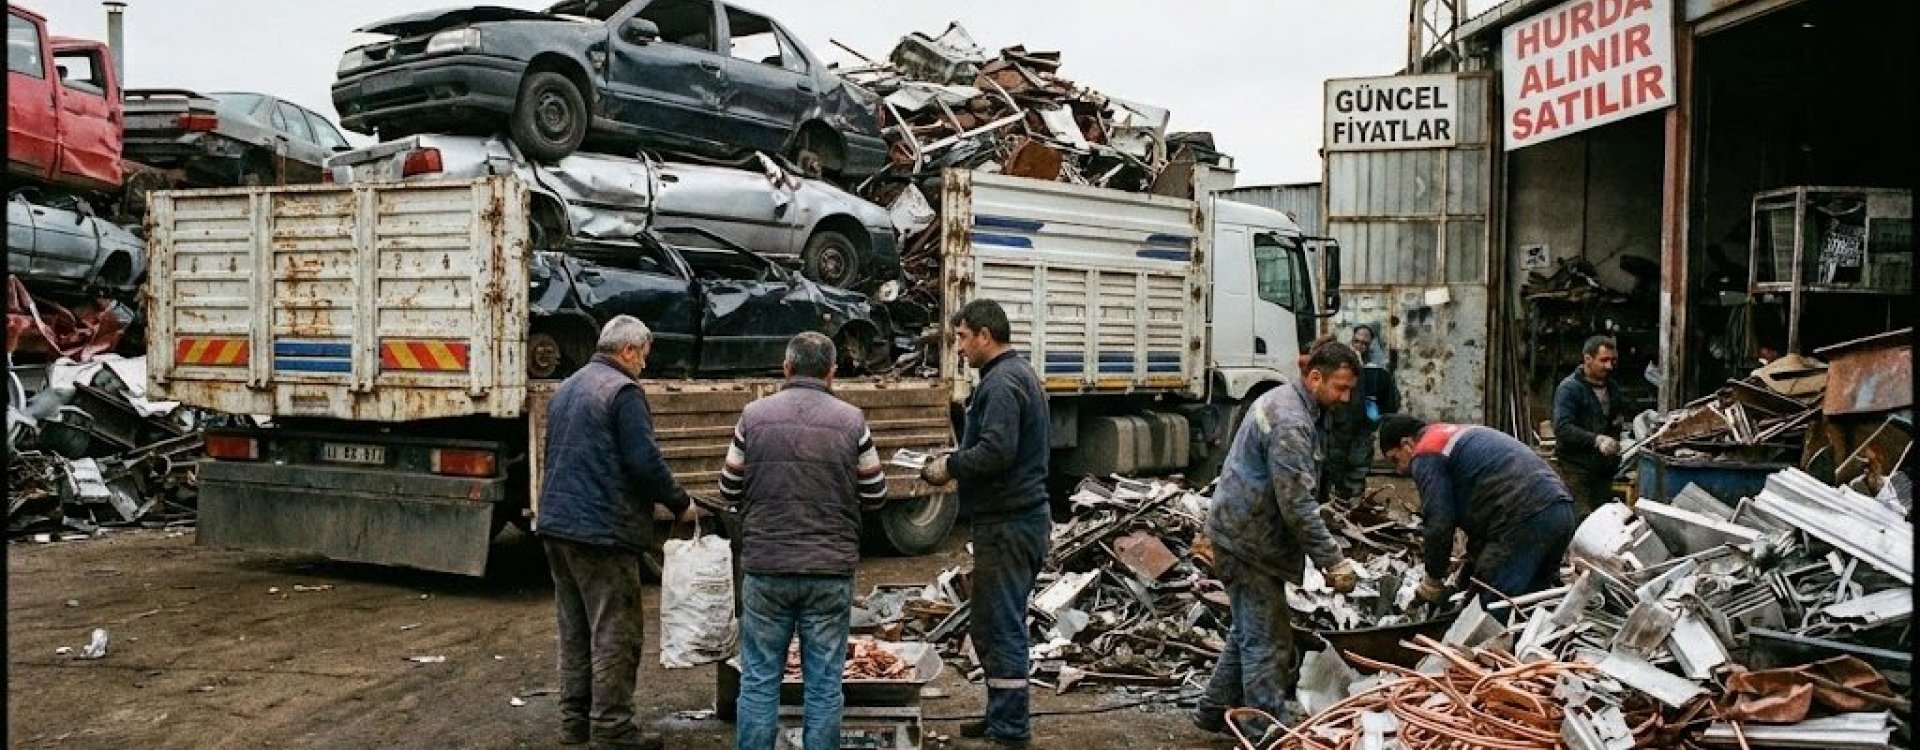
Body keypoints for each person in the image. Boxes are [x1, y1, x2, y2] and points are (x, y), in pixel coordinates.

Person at [720, 331, 889, 750]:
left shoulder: (752, 416)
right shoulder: (852, 421)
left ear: (786, 368)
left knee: (759, 680)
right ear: (832, 372)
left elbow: (728, 488)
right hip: (829, 570)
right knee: (824, 684)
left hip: (766, 567)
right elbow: (875, 494)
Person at [535, 315, 694, 750]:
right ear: (627, 351)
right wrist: (680, 502)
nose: (644, 365)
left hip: (558, 525)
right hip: (601, 531)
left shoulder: (567, 388)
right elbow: (643, 461)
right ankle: (612, 727)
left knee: (575, 630)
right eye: (643, 356)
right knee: (614, 631)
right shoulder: (623, 391)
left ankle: (574, 724)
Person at [1193, 341, 1366, 739]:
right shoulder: (1291, 421)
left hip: (1241, 530)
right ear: (1315, 377)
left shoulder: (1288, 403)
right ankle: (1264, 729)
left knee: (1250, 630)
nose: (1345, 398)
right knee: (1267, 641)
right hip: (1249, 540)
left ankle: (1214, 709)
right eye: (1340, 388)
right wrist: (1333, 561)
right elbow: (1297, 504)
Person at [919, 299, 1050, 749]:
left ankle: (1010, 729)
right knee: (990, 624)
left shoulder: (1001, 384)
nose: (958, 347)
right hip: (1014, 520)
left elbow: (996, 451)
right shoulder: (1015, 375)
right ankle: (1000, 716)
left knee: (1001, 626)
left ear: (985, 335)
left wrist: (949, 466)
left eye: (961, 338)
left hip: (1009, 524)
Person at [1378, 414, 1576, 613]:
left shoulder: (1427, 452)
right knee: (1533, 608)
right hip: (1559, 510)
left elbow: (1439, 522)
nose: (1399, 470)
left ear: (1407, 445)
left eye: (1396, 459)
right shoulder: (1453, 436)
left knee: (1488, 610)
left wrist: (1433, 578)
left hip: (1524, 516)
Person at [1322, 324, 1401, 502]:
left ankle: (1352, 509)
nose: (1359, 346)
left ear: (1371, 344)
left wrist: (1375, 417)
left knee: (1356, 474)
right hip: (1337, 429)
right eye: (1356, 341)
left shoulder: (1378, 371)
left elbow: (1392, 402)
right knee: (1332, 472)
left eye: (1364, 343)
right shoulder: (1339, 365)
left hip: (1361, 432)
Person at [1553, 335, 1626, 519]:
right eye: (1604, 360)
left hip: (1603, 470)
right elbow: (1562, 428)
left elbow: (1615, 421)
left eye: (1612, 360)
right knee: (1582, 520)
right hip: (1576, 469)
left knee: (1603, 519)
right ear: (1588, 359)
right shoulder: (1570, 389)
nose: (1609, 366)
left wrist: (1616, 440)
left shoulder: (1613, 388)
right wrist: (1596, 440)